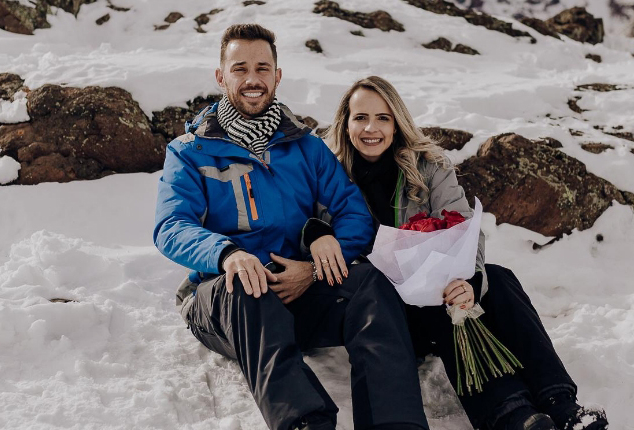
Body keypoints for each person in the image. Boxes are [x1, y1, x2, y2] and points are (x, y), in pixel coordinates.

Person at [153, 26, 430, 430]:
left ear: (277, 76)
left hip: (297, 292)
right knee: (246, 285)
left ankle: (395, 424)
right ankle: (306, 423)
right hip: (224, 303)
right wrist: (227, 254)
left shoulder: (306, 148)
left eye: (262, 68)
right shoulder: (190, 151)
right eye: (240, 68)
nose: (252, 79)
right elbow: (171, 226)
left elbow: (354, 212)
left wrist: (319, 261)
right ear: (221, 76)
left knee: (370, 281)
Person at [309, 76, 610, 430]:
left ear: (397, 123)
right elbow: (312, 226)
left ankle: (562, 403)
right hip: (385, 315)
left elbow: (465, 229)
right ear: (345, 123)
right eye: (360, 117)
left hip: (439, 294)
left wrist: (468, 281)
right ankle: (509, 414)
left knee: (497, 278)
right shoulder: (328, 177)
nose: (370, 128)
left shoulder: (429, 167)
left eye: (383, 118)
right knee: (438, 302)